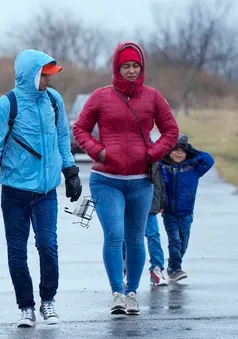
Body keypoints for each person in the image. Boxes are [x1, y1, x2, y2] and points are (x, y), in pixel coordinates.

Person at [0, 49, 82, 327]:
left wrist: (70, 171)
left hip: (46, 193)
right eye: (44, 75)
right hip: (15, 193)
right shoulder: (5, 106)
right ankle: (26, 307)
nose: (48, 80)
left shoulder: (54, 101)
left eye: (49, 75)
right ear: (30, 75)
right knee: (17, 252)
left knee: (48, 246)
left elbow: (62, 139)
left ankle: (48, 301)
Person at [72, 41, 179, 315]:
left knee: (135, 238)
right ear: (117, 68)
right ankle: (117, 293)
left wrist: (152, 154)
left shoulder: (154, 97)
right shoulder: (100, 96)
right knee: (114, 235)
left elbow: (171, 131)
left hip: (140, 181)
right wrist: (98, 151)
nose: (131, 70)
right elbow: (80, 129)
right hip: (105, 179)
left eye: (135, 66)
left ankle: (132, 293)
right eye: (126, 66)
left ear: (141, 68)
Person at [159, 134, 214, 281]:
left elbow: (209, 160)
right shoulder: (164, 167)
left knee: (183, 243)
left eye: (182, 151)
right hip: (169, 213)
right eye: (175, 150)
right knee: (175, 240)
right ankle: (175, 268)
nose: (178, 153)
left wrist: (192, 150)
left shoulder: (193, 169)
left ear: (187, 153)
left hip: (187, 213)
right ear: (169, 152)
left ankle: (173, 265)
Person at [123, 160, 168, 286]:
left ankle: (156, 268)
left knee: (153, 235)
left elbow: (160, 184)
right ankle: (124, 266)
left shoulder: (154, 158)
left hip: (149, 206)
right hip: (128, 204)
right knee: (125, 237)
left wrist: (162, 203)